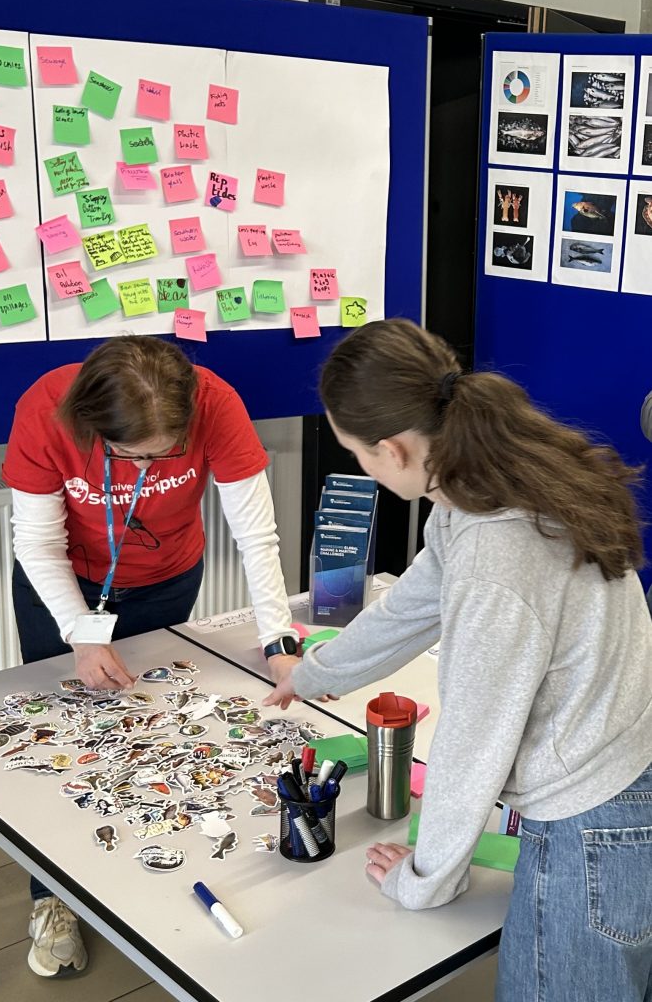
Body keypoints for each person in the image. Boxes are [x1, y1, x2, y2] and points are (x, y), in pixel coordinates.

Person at [265, 319, 652, 1002]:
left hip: (595, 822)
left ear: (392, 450)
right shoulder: (489, 478)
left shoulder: (494, 557)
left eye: (356, 454)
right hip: (621, 768)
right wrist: (315, 674)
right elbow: (413, 605)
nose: (361, 467)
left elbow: (473, 741)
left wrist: (425, 880)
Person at [2, 334, 301, 977]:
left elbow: (256, 535)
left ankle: (144, 871)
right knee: (68, 738)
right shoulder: (45, 408)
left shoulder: (216, 404)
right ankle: (52, 897)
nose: (145, 469)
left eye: (162, 455)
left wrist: (279, 641)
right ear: (92, 424)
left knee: (153, 731)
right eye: (129, 455)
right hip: (63, 581)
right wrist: (82, 633)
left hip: (166, 577)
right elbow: (38, 542)